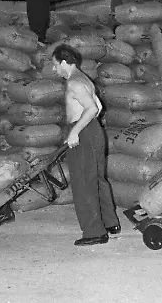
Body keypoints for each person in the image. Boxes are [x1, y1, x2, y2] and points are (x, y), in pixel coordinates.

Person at [52, 44, 120, 246]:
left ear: (64, 63)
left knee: (83, 183)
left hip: (83, 133)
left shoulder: (74, 83)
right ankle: (110, 223)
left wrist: (74, 131)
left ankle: (94, 232)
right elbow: (99, 106)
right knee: (97, 179)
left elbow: (91, 108)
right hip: (92, 130)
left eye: (55, 65)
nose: (54, 69)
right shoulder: (84, 79)